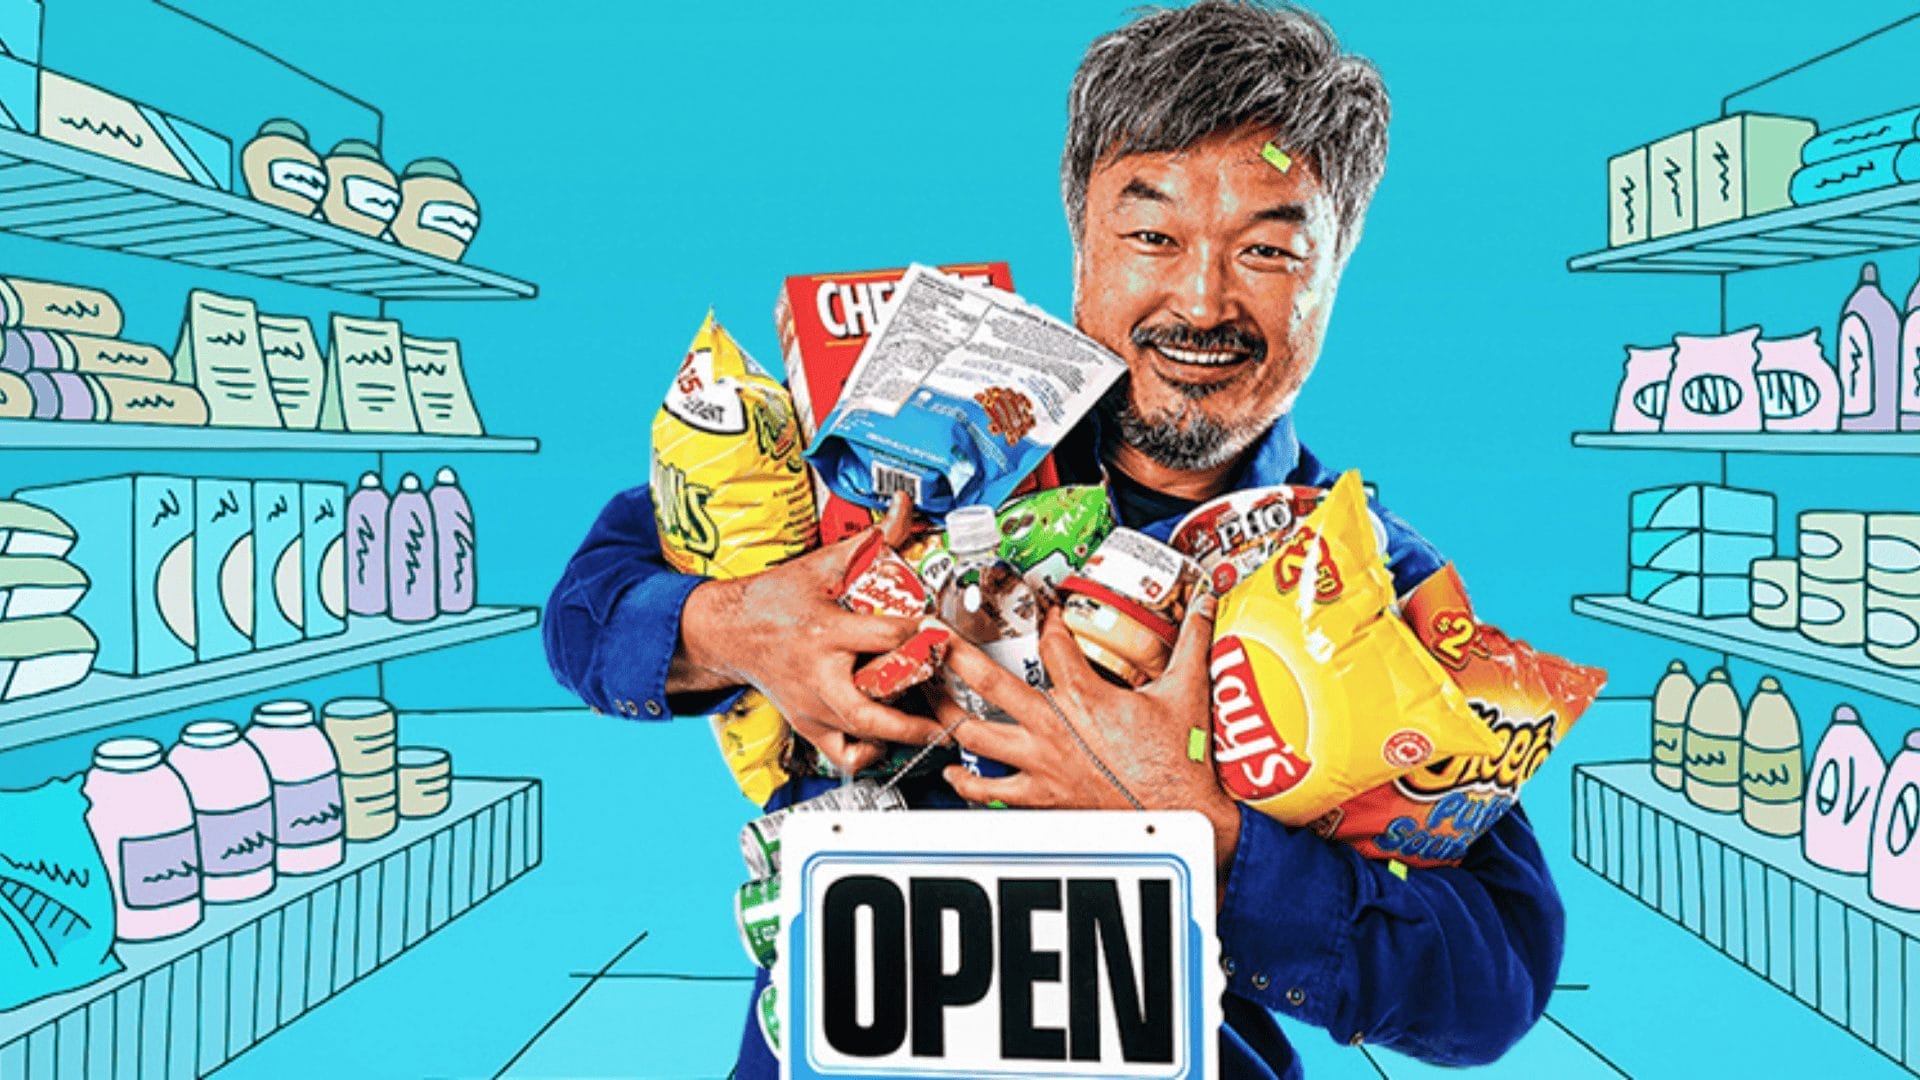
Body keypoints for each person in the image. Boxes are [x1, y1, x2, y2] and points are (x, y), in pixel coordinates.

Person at [542, 2, 1564, 1077]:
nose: (1202, 297)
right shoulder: (895, 426)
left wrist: (1206, 836)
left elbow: (1491, 983)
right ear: (1081, 234)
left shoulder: (1365, 581)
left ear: (1335, 267)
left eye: (1267, 248)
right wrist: (732, 627)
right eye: (1154, 234)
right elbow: (590, 603)